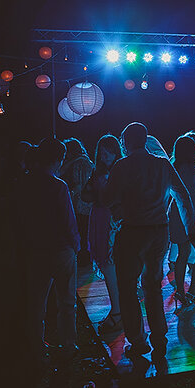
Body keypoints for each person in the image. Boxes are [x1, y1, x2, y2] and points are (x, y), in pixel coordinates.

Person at [102, 122, 195, 359]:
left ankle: (138, 341)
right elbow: (183, 196)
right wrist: (190, 228)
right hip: (159, 231)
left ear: (126, 142)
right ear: (145, 140)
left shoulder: (121, 166)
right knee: (153, 287)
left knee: (127, 288)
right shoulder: (162, 164)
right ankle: (159, 338)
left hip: (133, 231)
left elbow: (108, 199)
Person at [21, 138, 81, 375]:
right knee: (67, 301)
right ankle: (68, 345)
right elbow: (68, 220)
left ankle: (37, 349)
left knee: (36, 303)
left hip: (36, 250)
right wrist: (76, 244)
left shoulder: (25, 183)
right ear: (57, 159)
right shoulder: (58, 186)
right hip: (60, 249)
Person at [81, 134, 123, 333]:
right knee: (107, 265)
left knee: (110, 264)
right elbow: (86, 195)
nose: (105, 156)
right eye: (103, 153)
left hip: (111, 219)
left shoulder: (119, 170)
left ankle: (117, 311)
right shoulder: (98, 171)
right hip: (99, 217)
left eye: (109, 152)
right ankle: (117, 309)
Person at [170, 135, 195, 308]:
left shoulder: (174, 167)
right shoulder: (189, 169)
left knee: (183, 253)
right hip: (190, 218)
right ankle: (193, 292)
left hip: (175, 214)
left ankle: (180, 292)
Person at [60, 138, 94, 263]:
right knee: (84, 232)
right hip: (86, 204)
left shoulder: (79, 163)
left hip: (81, 204)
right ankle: (85, 257)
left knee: (82, 232)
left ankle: (83, 258)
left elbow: (80, 185)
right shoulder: (86, 161)